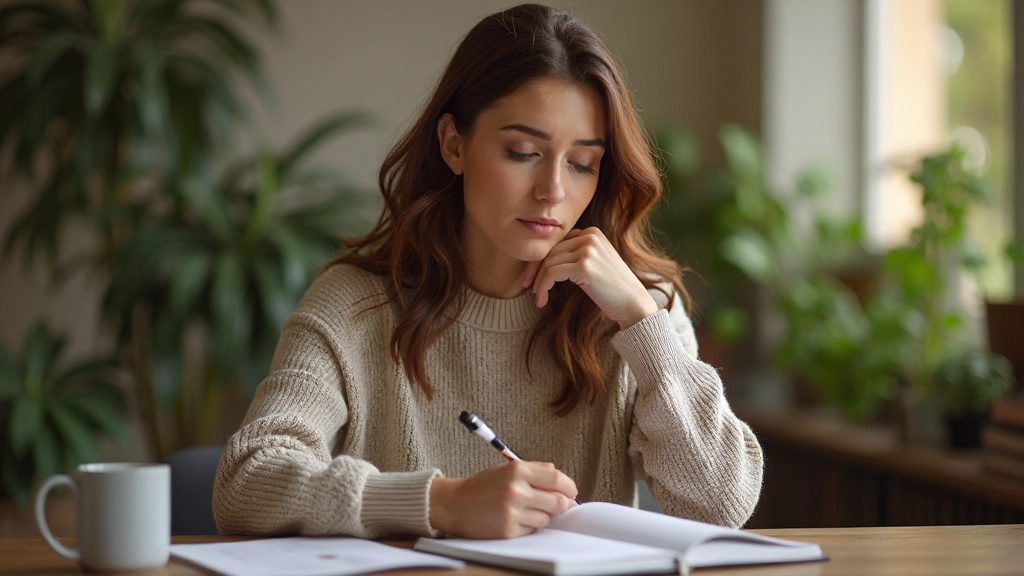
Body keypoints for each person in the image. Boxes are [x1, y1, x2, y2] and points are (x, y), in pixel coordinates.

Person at [213, 3, 763, 540]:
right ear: (454, 144)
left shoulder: (639, 312)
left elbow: (719, 509)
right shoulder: (356, 305)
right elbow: (246, 480)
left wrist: (642, 321)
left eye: (582, 164)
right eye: (523, 151)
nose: (553, 190)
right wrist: (441, 503)